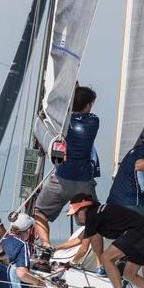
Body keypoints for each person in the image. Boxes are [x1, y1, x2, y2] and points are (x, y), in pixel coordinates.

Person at [56, 194, 144, 288]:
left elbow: (86, 248)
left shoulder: (92, 216)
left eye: (76, 214)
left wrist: (72, 263)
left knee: (106, 258)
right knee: (129, 274)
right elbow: (80, 240)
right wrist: (55, 248)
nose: (75, 218)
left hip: (139, 231)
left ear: (85, 208)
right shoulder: (97, 215)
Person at [34, 85, 100, 245]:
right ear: (88, 105)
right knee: (93, 220)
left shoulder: (62, 123)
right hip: (84, 182)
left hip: (61, 180)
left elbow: (51, 120)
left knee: (39, 212)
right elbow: (82, 109)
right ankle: (96, 262)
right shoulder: (94, 122)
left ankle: (46, 245)